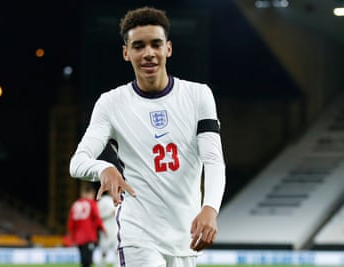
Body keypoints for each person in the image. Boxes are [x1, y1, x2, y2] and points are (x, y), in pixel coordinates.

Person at [69, 6, 226, 267]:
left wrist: (210, 207)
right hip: (138, 235)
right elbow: (78, 162)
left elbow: (213, 160)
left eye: (156, 44)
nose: (148, 53)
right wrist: (104, 169)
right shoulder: (110, 104)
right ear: (126, 53)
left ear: (168, 48)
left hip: (185, 237)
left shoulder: (199, 96)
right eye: (139, 46)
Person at [67, 182, 106, 267]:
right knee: (88, 262)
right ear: (91, 193)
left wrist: (72, 236)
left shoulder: (75, 204)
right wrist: (103, 230)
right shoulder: (91, 203)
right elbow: (97, 219)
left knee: (83, 261)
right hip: (88, 236)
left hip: (78, 238)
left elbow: (70, 223)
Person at [97, 192, 120, 267]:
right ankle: (101, 264)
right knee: (104, 250)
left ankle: (116, 265)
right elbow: (98, 214)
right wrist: (110, 213)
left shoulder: (119, 199)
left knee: (117, 249)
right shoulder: (104, 200)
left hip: (115, 227)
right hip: (106, 227)